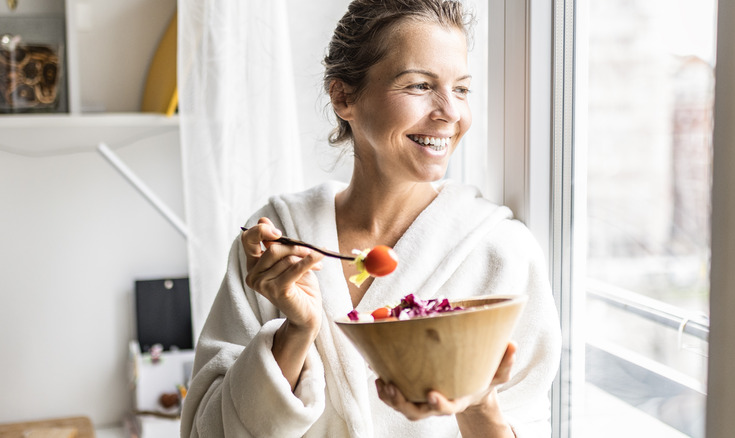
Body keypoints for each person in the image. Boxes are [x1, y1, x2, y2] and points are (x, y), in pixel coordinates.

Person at [180, 0, 561, 436]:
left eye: (461, 89)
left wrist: (476, 404)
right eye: (420, 86)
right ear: (344, 97)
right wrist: (295, 332)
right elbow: (204, 432)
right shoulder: (276, 244)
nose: (451, 113)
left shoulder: (501, 253)